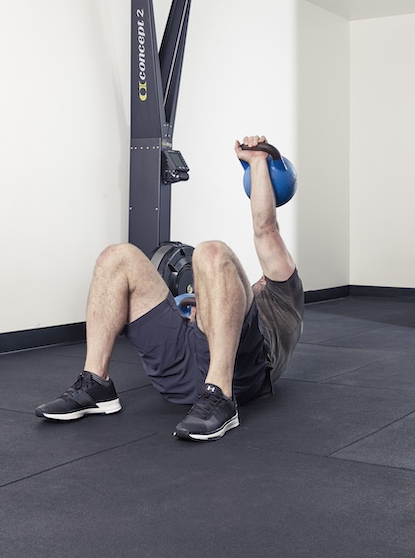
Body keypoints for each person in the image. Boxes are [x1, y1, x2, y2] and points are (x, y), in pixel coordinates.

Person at [35, 135, 304, 441]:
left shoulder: (284, 291)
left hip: (240, 373)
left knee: (210, 252)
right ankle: (96, 382)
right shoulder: (233, 292)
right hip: (180, 369)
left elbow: (265, 228)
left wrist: (258, 161)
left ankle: (221, 398)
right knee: (117, 257)